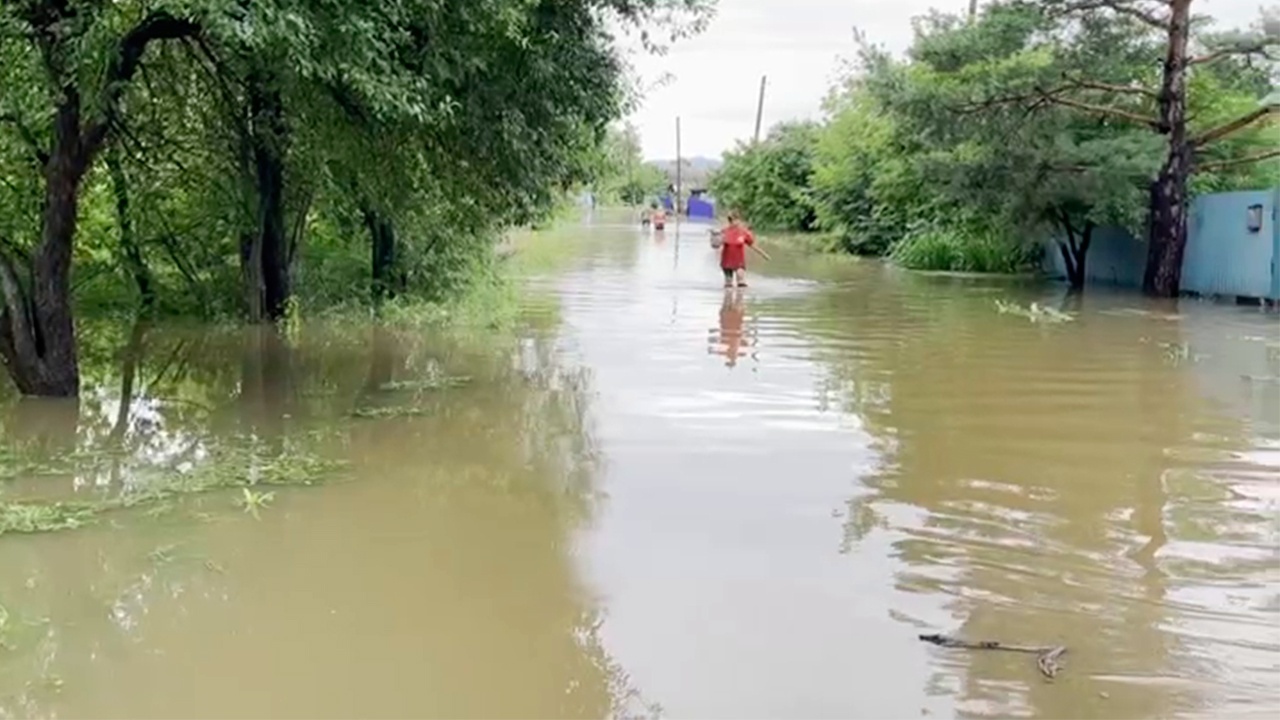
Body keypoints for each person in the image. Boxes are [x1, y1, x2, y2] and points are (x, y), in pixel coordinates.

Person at [718, 211, 769, 288]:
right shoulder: (724, 231)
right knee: (728, 284)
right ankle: (727, 299)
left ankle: (740, 298)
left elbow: (752, 245)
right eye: (731, 220)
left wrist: (763, 254)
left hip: (739, 261)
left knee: (741, 281)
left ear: (739, 220)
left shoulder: (743, 232)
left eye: (735, 220)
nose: (734, 222)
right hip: (727, 261)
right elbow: (717, 244)